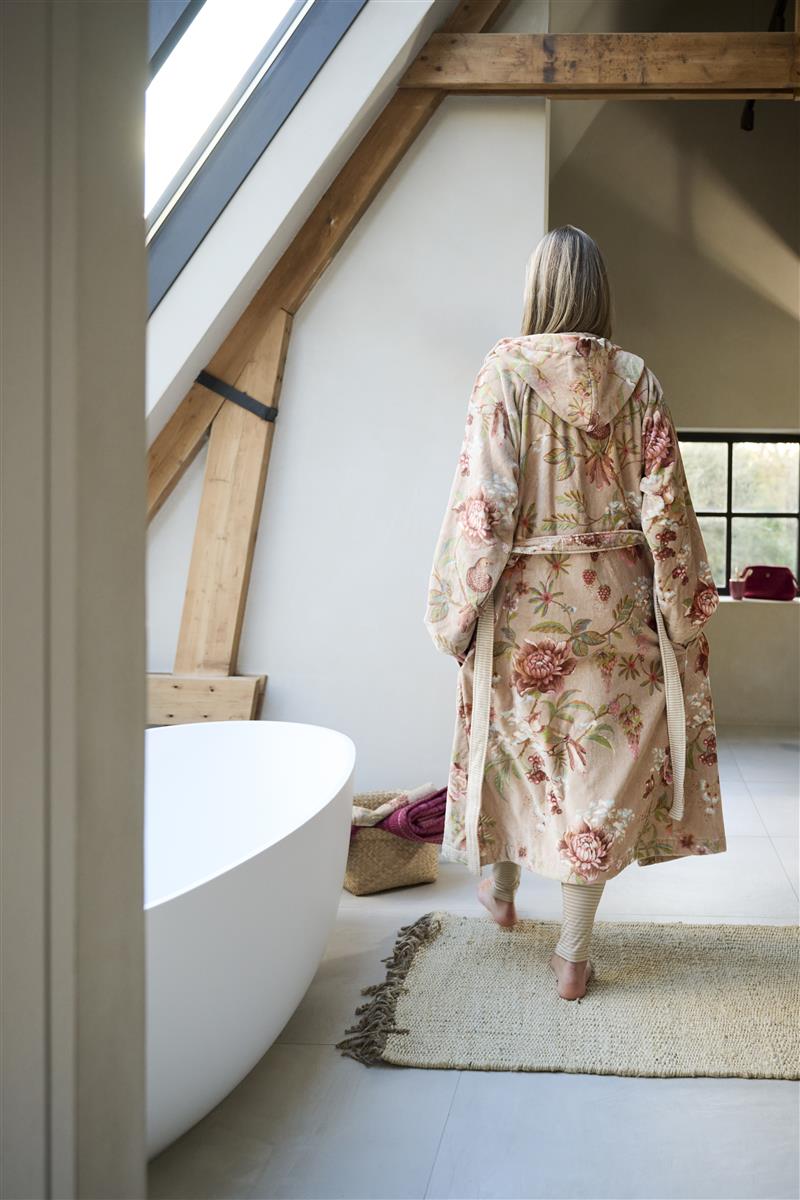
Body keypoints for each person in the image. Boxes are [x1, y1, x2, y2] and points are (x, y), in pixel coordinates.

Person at [423, 225, 726, 1001]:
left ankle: (500, 886)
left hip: (524, 607)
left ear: (538, 289)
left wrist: (458, 610)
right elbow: (667, 507)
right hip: (618, 608)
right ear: (599, 292)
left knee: (515, 746)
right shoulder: (637, 378)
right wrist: (682, 610)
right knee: (595, 772)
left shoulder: (504, 372)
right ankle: (573, 954)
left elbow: (485, 507)